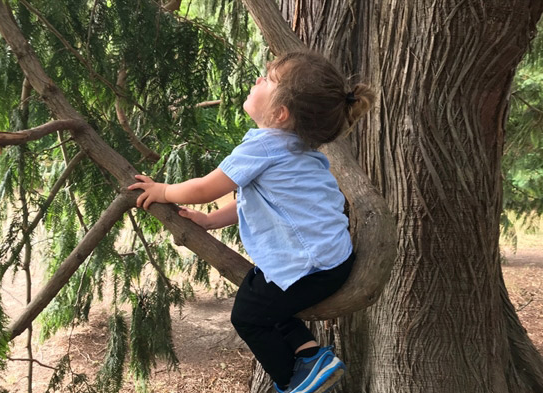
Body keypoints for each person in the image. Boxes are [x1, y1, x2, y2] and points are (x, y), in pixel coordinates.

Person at [128, 50, 375, 393]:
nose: (259, 79)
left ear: (280, 113)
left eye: (269, 79)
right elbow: (253, 200)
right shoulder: (298, 150)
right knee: (266, 298)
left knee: (247, 317)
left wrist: (164, 190)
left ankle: (293, 381)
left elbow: (204, 187)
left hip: (307, 266)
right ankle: (310, 354)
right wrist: (212, 221)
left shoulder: (264, 147)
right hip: (331, 261)